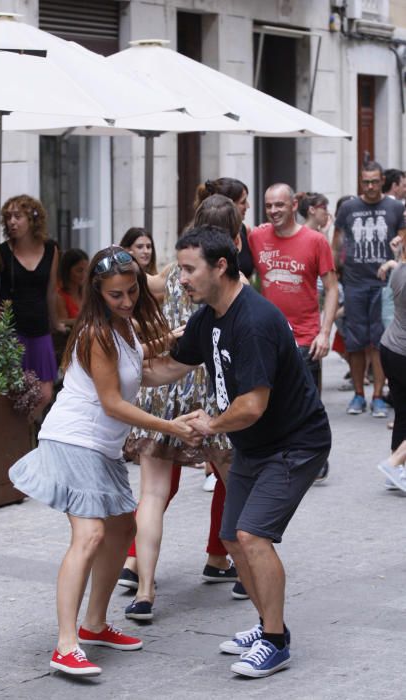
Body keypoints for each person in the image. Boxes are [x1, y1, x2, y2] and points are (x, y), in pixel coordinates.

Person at [142, 226, 332, 678]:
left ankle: (275, 640)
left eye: (189, 269)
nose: (180, 279)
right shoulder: (209, 316)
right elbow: (173, 364)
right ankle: (267, 622)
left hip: (295, 443)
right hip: (254, 442)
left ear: (220, 266)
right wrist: (117, 377)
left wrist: (209, 424)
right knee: (231, 537)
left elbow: (251, 405)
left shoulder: (255, 321)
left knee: (253, 536)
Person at [9, 246, 199, 678]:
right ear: (98, 293)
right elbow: (113, 403)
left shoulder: (124, 328)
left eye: (132, 291)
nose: (128, 300)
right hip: (74, 441)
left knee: (121, 529)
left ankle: (94, 625)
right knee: (91, 534)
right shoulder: (96, 332)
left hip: (101, 449)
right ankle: (65, 644)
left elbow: (146, 372)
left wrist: (190, 349)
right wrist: (171, 426)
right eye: (117, 295)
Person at [120, 195, 245, 621]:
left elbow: (143, 283)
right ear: (233, 237)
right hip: (211, 392)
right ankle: (244, 568)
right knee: (236, 482)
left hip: (163, 386)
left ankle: (146, 590)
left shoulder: (175, 272)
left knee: (152, 494)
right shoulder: (233, 282)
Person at [249, 184, 337, 482]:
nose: (273, 211)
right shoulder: (257, 236)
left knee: (307, 403)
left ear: (293, 204)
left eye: (279, 205)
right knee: (270, 400)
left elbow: (333, 288)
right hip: (268, 337)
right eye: (269, 205)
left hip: (306, 336)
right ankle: (282, 456)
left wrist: (325, 332)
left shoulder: (315, 241)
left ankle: (314, 456)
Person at [333, 161, 406, 417]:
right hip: (354, 283)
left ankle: (377, 396)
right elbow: (337, 242)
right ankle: (358, 395)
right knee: (354, 343)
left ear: (382, 180)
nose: (371, 186)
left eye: (375, 181)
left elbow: (404, 243)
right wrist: (336, 273)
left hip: (384, 286)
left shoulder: (395, 207)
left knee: (379, 342)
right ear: (360, 181)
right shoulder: (349, 207)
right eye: (367, 182)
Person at [0, 195, 65, 419]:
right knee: (14, 394)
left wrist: (55, 323)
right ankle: (19, 439)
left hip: (40, 329)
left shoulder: (50, 249)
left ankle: (26, 432)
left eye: (17, 216)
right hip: (12, 333)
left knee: (45, 393)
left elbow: (51, 290)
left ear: (32, 219)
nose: (12, 222)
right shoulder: (0, 252)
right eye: (8, 217)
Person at [376, 229, 406, 490]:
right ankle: (395, 462)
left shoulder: (398, 270)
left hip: (390, 348)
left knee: (403, 413)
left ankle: (396, 474)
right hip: (402, 352)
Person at [193, 178, 254, 278]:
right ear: (229, 205)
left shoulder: (243, 230)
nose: (248, 206)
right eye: (243, 202)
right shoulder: (200, 239)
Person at [57, 248, 89, 324]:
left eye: (87, 270)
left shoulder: (86, 293)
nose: (84, 275)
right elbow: (61, 323)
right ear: (67, 270)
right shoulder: (59, 297)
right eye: (79, 270)